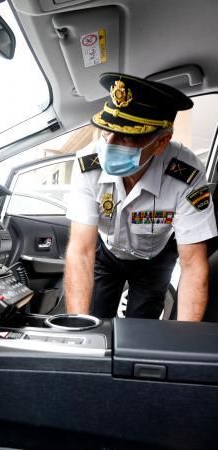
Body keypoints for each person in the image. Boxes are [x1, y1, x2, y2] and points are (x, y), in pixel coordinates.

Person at [64, 72, 218, 321]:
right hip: (108, 254)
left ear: (161, 142)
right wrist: (78, 337)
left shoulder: (186, 175)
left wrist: (185, 343)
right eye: (107, 131)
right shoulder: (88, 164)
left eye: (126, 136)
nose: (110, 144)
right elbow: (81, 250)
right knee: (92, 321)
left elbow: (192, 266)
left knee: (140, 329)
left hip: (154, 261)